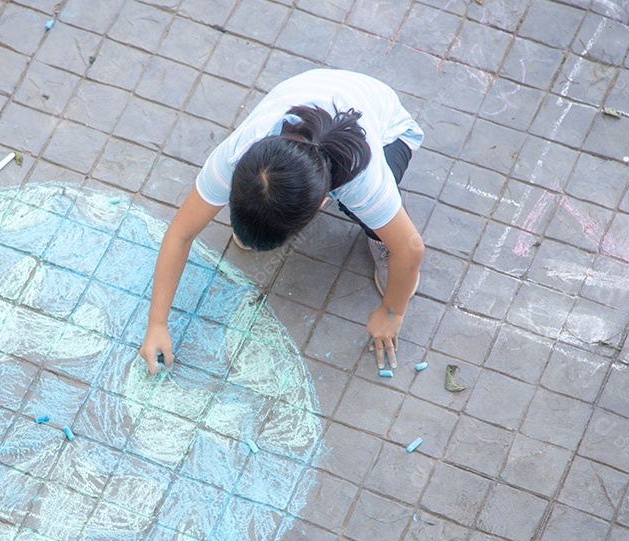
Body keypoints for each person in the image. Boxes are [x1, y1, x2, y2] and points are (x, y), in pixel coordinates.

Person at [138, 69, 425, 374]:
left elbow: (411, 250)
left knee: (371, 218)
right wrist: (157, 322)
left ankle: (379, 232)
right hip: (316, 98)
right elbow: (180, 234)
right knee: (267, 209)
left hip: (390, 134)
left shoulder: (362, 177)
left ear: (320, 204)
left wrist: (392, 313)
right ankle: (268, 213)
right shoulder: (237, 154)